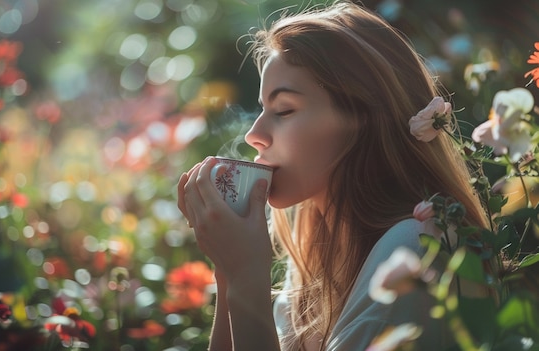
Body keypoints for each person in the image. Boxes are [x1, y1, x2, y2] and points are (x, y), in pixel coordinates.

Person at [177, 1, 490, 350]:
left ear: (364, 120)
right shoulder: (313, 269)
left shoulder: (415, 247)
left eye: (284, 110)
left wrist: (246, 279)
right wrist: (229, 272)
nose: (253, 134)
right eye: (262, 109)